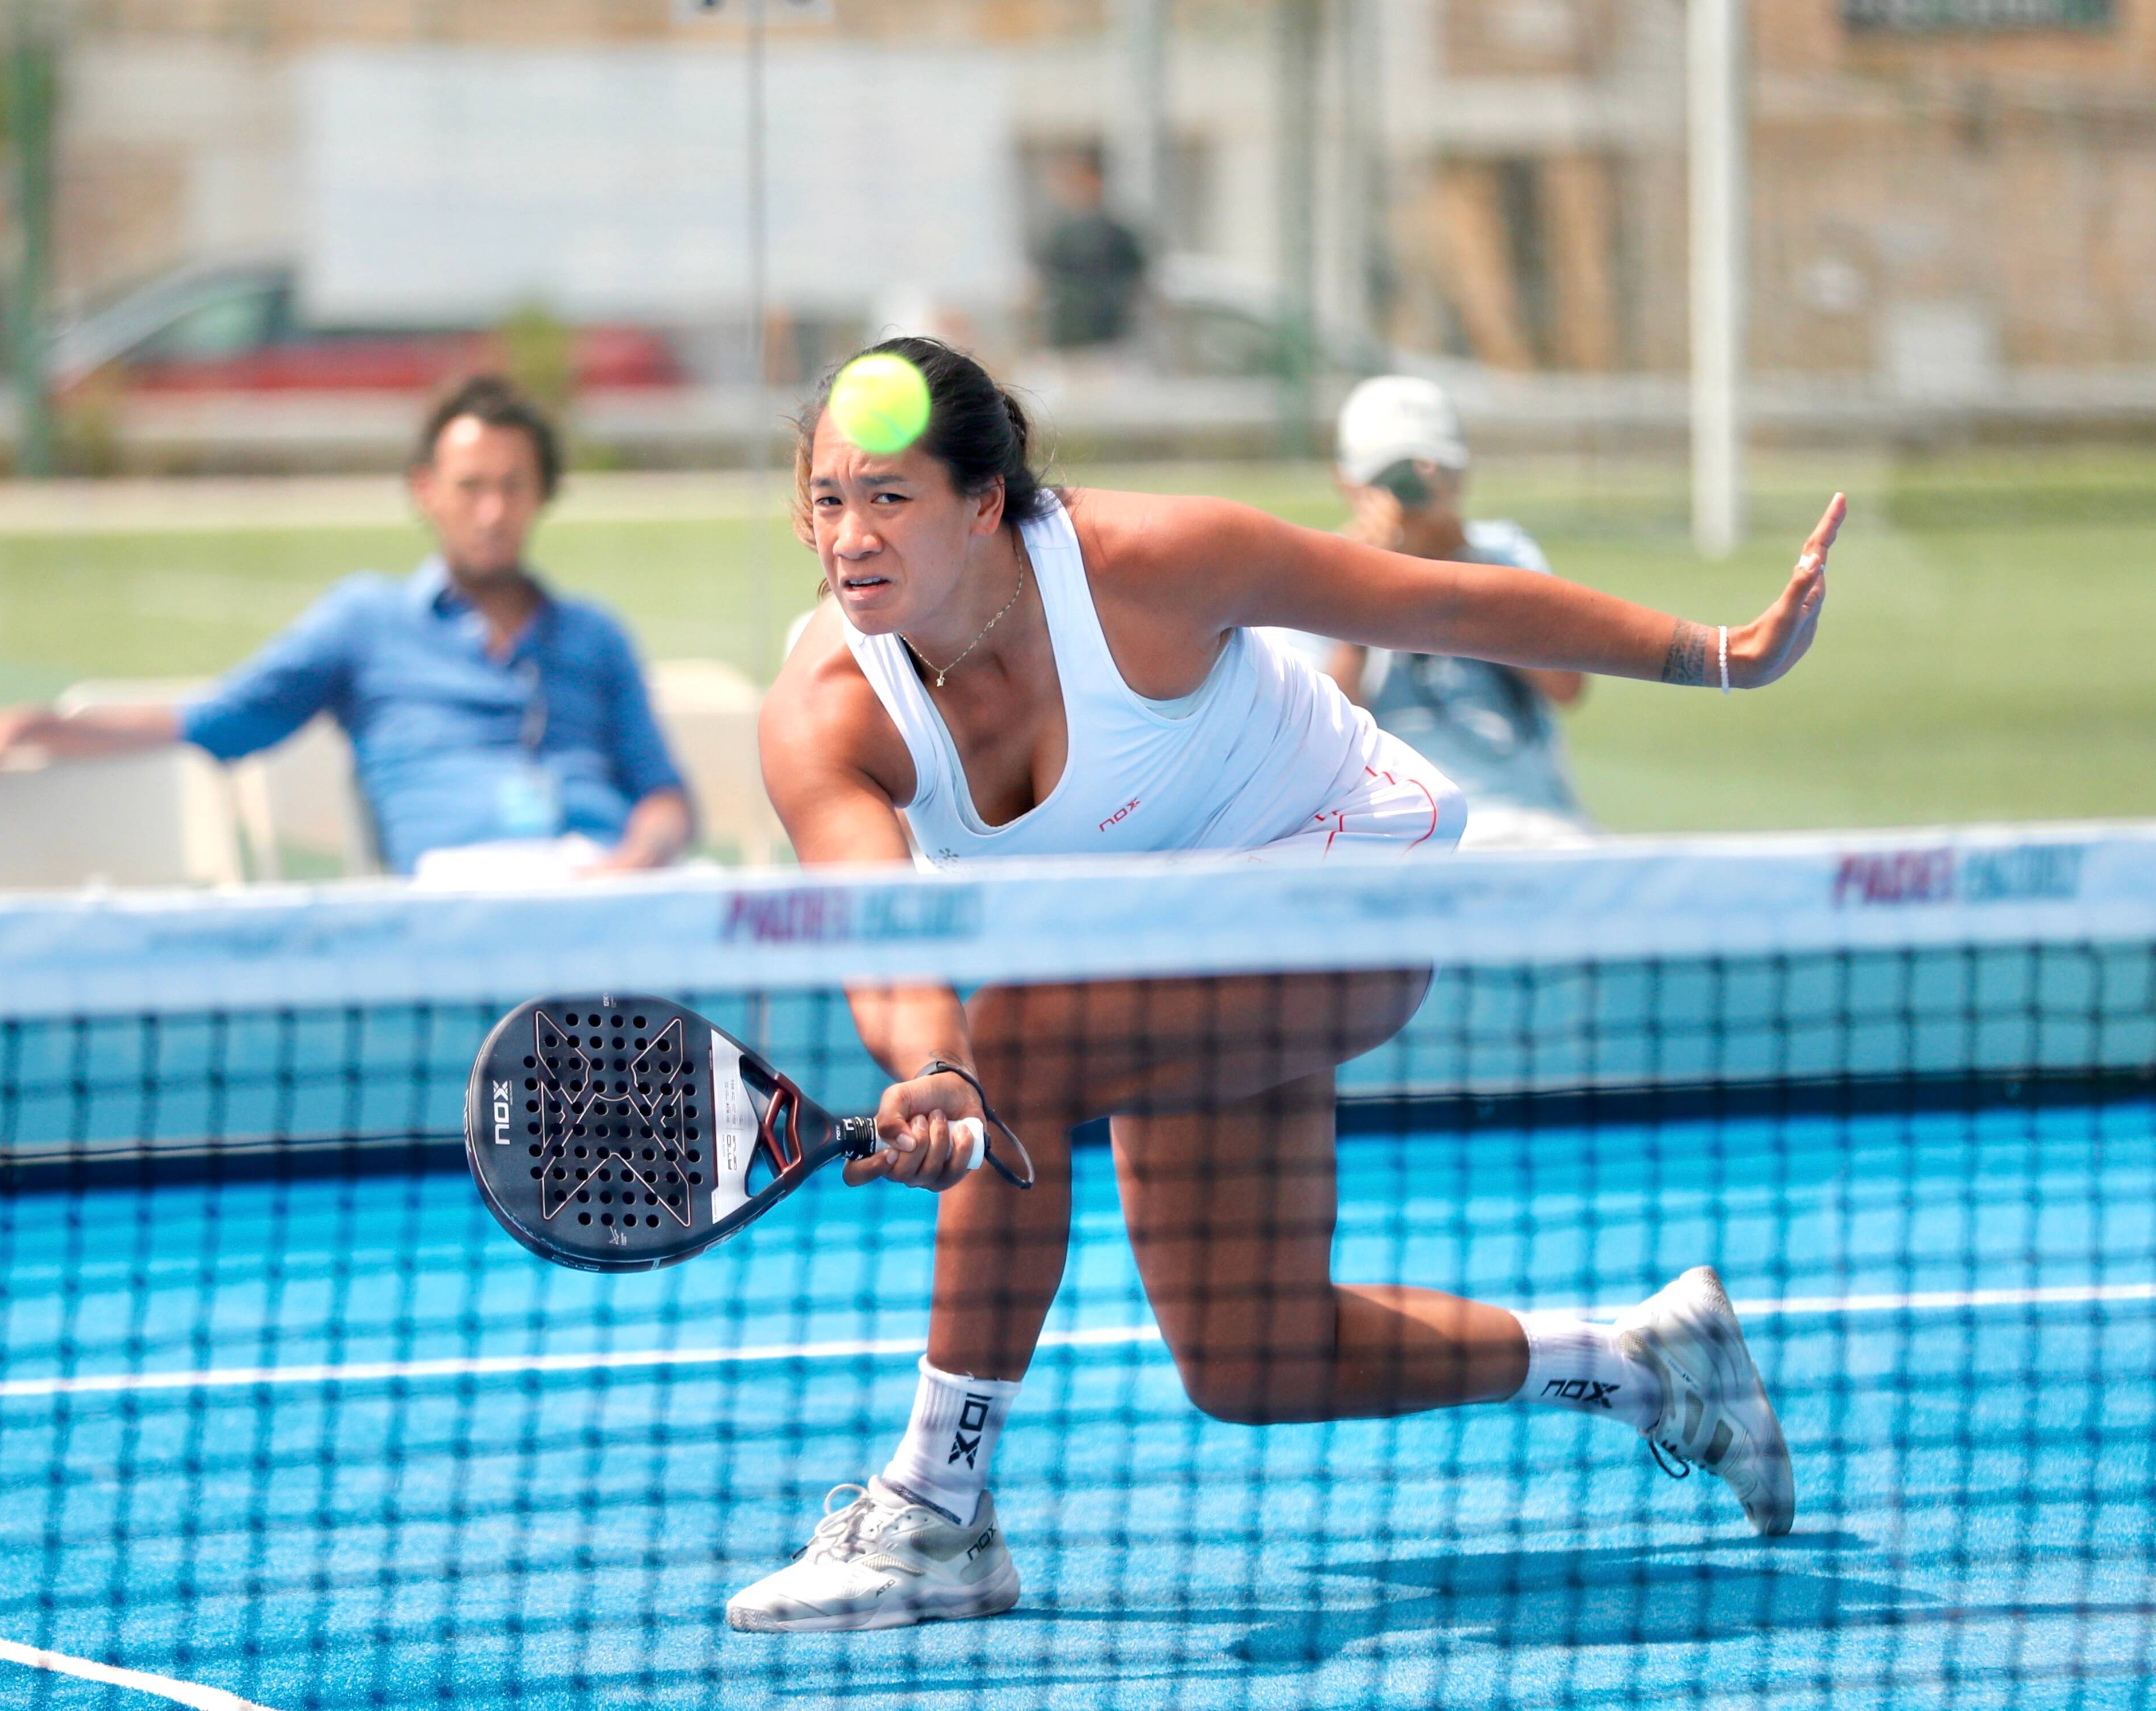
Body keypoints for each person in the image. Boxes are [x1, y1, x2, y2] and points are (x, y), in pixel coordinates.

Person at [731, 337, 1843, 1633]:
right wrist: (928, 1066)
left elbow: (1438, 601)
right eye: (826, 497)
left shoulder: (1145, 565)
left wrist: (1727, 652)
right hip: (1168, 951)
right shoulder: (822, 710)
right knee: (1257, 1356)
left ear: (985, 501)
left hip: (1351, 874)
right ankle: (1641, 1361)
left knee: (1019, 1042)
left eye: (889, 495)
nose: (849, 535)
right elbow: (882, 935)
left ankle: (936, 1510)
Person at [0, 376, 695, 879]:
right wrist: (43, 725)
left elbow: (663, 794)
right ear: (426, 492)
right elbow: (217, 722)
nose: (492, 511)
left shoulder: (596, 636)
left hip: (614, 892)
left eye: (512, 487)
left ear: (542, 495)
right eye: (471, 488)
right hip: (469, 899)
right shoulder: (365, 623)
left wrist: (635, 861)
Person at [1310, 376, 1593, 847]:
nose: (1408, 494)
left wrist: (1465, 568)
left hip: (1532, 820)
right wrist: (1360, 596)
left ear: (1459, 475)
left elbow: (1568, 686)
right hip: (1400, 834)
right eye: (1389, 476)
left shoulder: (1504, 553)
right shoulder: (1313, 574)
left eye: (1424, 473)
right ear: (1348, 483)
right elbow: (1319, 740)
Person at [1030, 151, 1148, 353]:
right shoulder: (1057, 231)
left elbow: (1136, 272)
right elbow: (1044, 276)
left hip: (1110, 333)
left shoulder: (1116, 231)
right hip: (1069, 331)